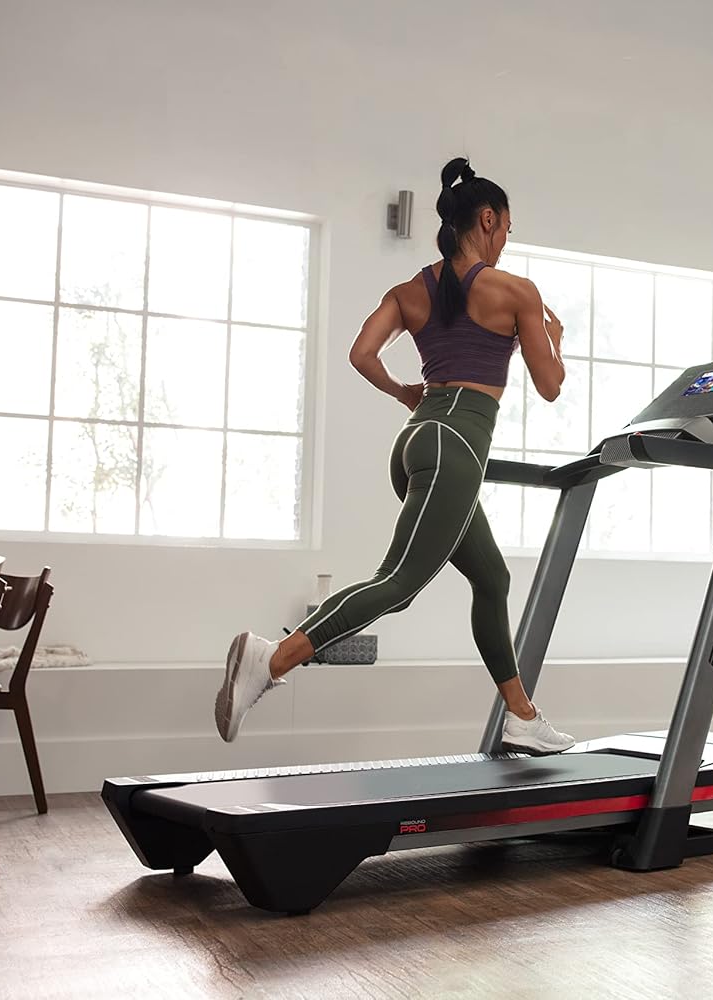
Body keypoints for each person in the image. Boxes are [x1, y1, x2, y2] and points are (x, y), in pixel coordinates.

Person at [215, 156, 573, 754]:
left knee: (492, 576)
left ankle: (522, 716)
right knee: (400, 584)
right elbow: (550, 384)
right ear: (488, 219)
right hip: (454, 447)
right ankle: (271, 659)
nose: (507, 240)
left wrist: (406, 393)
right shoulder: (517, 293)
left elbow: (362, 353)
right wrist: (554, 339)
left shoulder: (410, 292)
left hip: (419, 440)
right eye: (507, 228)